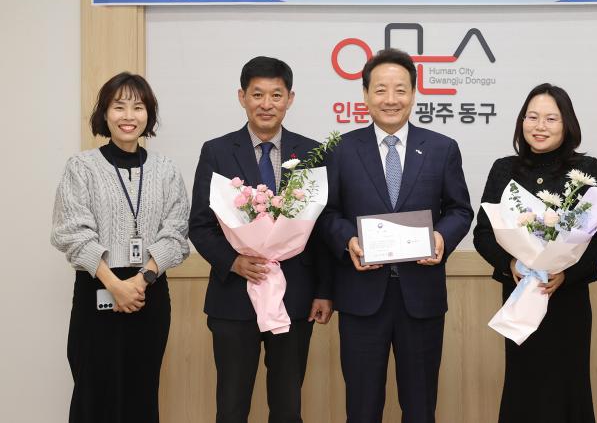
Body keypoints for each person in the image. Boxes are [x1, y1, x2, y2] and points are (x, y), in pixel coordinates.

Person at [320, 48, 473, 423]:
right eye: (381, 90)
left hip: (420, 297)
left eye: (400, 90)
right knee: (361, 408)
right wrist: (348, 240)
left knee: (420, 408)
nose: (391, 99)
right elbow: (326, 213)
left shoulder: (441, 149)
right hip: (361, 297)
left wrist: (441, 237)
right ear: (365, 94)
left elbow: (460, 210)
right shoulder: (339, 150)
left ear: (414, 93)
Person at [188, 56, 334, 423]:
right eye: (257, 94)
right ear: (242, 97)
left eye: (276, 95)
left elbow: (322, 229)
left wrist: (324, 290)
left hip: (295, 298)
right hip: (234, 298)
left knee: (287, 407)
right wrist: (233, 262)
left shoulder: (313, 153)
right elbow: (200, 225)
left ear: (290, 98)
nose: (266, 104)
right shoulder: (217, 151)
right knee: (231, 406)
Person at [51, 72, 190, 423]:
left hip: (149, 294)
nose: (129, 116)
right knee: (94, 395)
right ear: (105, 113)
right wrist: (115, 285)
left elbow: (176, 233)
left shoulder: (166, 170)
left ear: (149, 114)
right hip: (97, 289)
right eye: (119, 106)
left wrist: (140, 281)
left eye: (138, 107)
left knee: (141, 394)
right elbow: (71, 232)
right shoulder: (81, 167)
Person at [473, 83, 597, 423]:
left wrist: (565, 274)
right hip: (520, 296)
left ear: (567, 124)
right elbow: (483, 233)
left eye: (551, 118)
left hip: (567, 302)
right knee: (523, 387)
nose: (540, 126)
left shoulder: (586, 169)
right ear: (522, 122)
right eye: (532, 117)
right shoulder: (504, 169)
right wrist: (510, 263)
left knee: (568, 388)